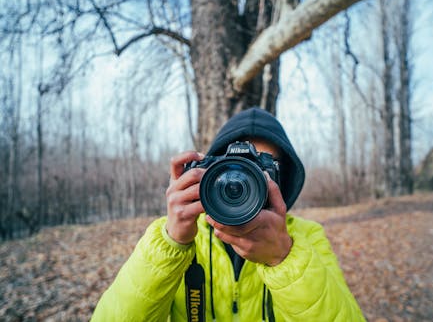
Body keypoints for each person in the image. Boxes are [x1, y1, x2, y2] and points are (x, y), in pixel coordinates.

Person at [91, 107, 365, 321]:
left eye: (263, 168)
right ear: (207, 173)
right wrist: (171, 244)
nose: (244, 183)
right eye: (236, 169)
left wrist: (284, 258)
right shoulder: (178, 234)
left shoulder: (305, 236)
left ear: (283, 178)